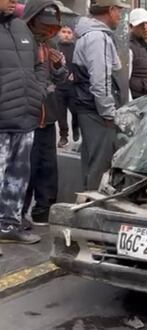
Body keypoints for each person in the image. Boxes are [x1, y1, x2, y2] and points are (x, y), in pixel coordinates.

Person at [0, 0, 48, 246]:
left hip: (24, 119)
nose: (12, 1)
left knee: (18, 178)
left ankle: (9, 225)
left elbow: (39, 64)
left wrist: (37, 90)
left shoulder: (21, 27)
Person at [72, 0, 129, 190]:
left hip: (88, 107)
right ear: (110, 10)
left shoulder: (90, 35)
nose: (119, 16)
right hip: (96, 111)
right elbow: (100, 79)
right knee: (99, 166)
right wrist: (108, 112)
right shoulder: (99, 37)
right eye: (118, 11)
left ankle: (85, 205)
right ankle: (92, 209)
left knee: (91, 164)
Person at [22, 0, 69, 226]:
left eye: (51, 26)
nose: (47, 31)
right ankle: (18, 213)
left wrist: (59, 67)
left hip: (48, 114)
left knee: (48, 166)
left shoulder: (52, 43)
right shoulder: (21, 41)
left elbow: (62, 79)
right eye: (43, 25)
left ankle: (44, 209)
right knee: (25, 167)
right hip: (25, 116)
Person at [55, 25, 79, 148]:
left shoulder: (76, 48)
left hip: (73, 86)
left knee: (75, 111)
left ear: (73, 35)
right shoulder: (55, 48)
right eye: (63, 32)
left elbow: (80, 65)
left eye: (69, 32)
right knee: (61, 113)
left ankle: (76, 126)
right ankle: (63, 136)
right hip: (58, 86)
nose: (66, 34)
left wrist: (76, 74)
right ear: (59, 33)